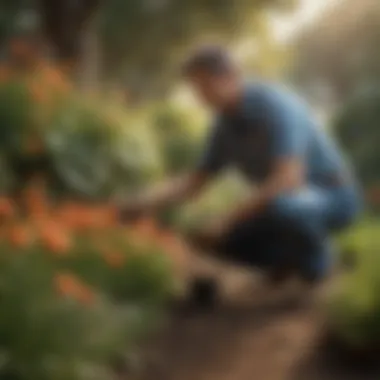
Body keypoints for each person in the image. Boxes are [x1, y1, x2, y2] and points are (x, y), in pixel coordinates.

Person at [120, 45, 362, 285]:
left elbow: (287, 180)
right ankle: (288, 261)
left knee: (284, 206)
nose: (201, 97)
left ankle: (320, 265)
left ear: (231, 76)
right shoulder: (223, 127)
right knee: (213, 239)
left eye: (205, 87)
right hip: (283, 202)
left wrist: (227, 219)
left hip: (332, 196)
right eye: (196, 90)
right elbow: (194, 183)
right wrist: (140, 203)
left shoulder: (276, 106)